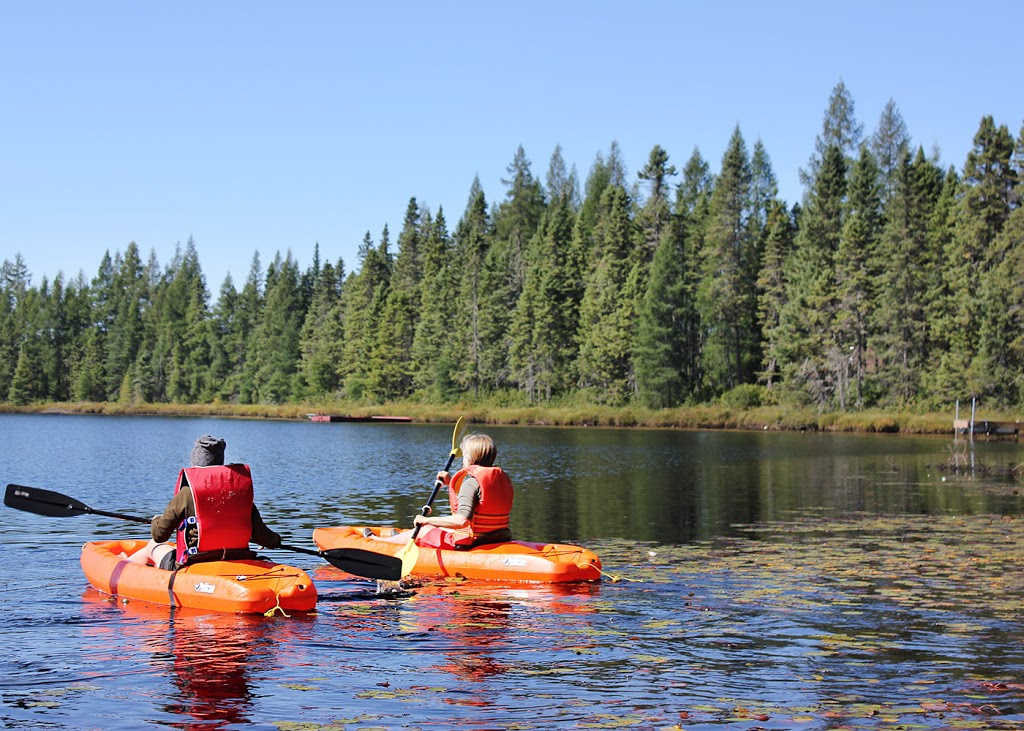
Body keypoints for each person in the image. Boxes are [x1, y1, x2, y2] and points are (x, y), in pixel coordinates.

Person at [126, 435, 282, 570]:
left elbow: (160, 535)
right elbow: (265, 538)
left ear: (195, 461)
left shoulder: (187, 494)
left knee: (153, 546)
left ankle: (123, 565)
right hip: (237, 558)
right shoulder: (239, 494)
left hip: (195, 563)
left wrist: (155, 521)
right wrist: (274, 540)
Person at [373, 433, 514, 550]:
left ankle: (377, 543)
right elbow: (479, 502)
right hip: (497, 536)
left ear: (470, 458)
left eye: (464, 455)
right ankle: (395, 538)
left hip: (474, 542)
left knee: (425, 530)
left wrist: (426, 520)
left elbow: (462, 521)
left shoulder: (471, 483)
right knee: (446, 529)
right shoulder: (500, 478)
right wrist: (450, 483)